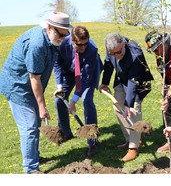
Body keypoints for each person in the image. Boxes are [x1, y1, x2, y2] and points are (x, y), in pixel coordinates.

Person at [0, 11, 71, 173]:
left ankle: (34, 156)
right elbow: (34, 78)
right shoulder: (37, 44)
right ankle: (31, 169)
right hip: (17, 87)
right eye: (61, 35)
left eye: (65, 36)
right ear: (49, 28)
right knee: (30, 127)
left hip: (29, 86)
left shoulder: (52, 40)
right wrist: (42, 106)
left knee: (36, 123)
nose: (62, 39)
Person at [99, 32, 154, 162]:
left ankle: (134, 148)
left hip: (138, 83)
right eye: (113, 53)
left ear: (124, 44)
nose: (116, 56)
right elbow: (108, 64)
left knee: (133, 112)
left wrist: (128, 103)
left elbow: (133, 82)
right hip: (121, 79)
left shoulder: (135, 54)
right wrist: (105, 82)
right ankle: (130, 139)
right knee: (118, 107)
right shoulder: (112, 49)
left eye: (119, 52)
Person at [53, 26, 103, 157]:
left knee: (87, 100)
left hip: (90, 73)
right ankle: (66, 132)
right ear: (72, 41)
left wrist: (74, 100)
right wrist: (59, 85)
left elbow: (85, 78)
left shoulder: (92, 50)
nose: (84, 47)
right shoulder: (62, 43)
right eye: (80, 45)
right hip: (69, 71)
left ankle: (92, 141)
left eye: (86, 43)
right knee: (59, 100)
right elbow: (57, 64)